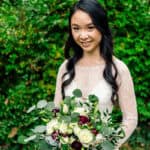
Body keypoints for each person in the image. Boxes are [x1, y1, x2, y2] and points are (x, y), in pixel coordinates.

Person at [54, 0, 138, 149]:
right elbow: (56, 114)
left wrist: (107, 145)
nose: (83, 35)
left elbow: (130, 118)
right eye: (76, 28)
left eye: (90, 27)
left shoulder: (118, 69)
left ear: (101, 27)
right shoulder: (66, 68)